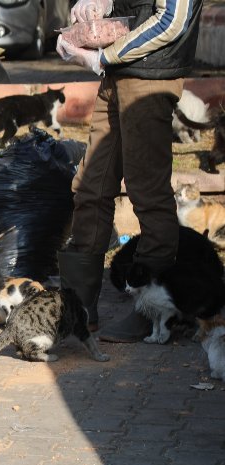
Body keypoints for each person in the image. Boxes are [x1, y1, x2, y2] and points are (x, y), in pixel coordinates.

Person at [55, 0, 203, 341]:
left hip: (150, 77)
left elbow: (172, 20)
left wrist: (100, 58)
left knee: (146, 189)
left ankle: (154, 310)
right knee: (90, 185)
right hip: (119, 73)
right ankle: (77, 306)